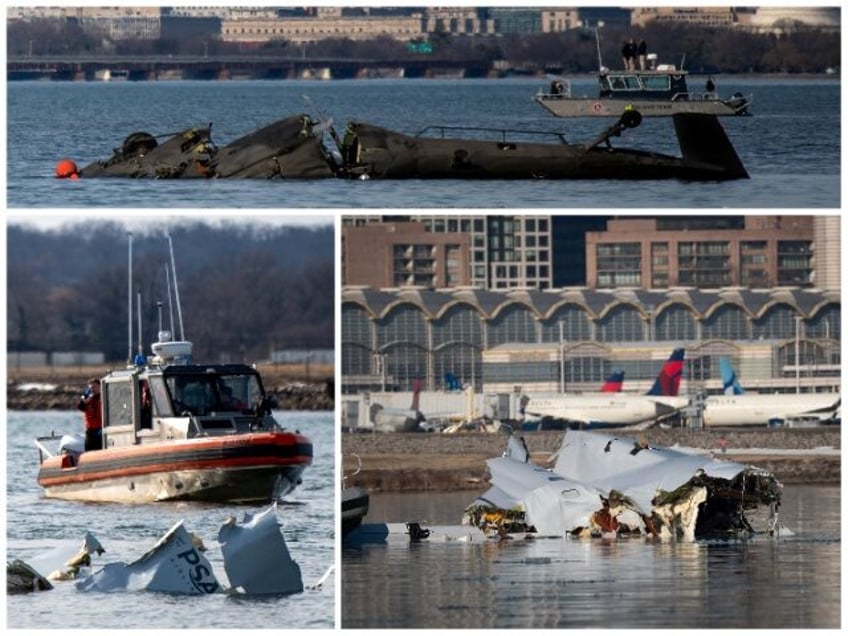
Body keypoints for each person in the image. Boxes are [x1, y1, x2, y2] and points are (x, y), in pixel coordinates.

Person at [77, 378, 103, 452]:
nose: (92, 389)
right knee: (89, 450)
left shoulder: (103, 397)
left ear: (100, 387)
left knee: (100, 450)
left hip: (101, 429)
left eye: (94, 387)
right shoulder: (87, 399)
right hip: (90, 430)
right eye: (91, 388)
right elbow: (80, 407)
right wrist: (84, 399)